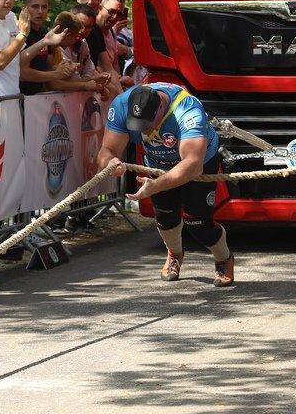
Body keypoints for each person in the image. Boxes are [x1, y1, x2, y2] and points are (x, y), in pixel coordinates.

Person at [97, 83, 233, 286]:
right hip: (157, 163)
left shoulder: (187, 110)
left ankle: (224, 258)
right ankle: (175, 254)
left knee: (198, 224)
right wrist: (110, 162)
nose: (144, 130)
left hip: (198, 162)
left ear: (161, 107)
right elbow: (106, 149)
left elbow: (192, 164)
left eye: (147, 124)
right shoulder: (122, 105)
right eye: (138, 125)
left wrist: (156, 185)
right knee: (165, 218)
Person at [18, 0, 75, 95]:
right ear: (24, 8)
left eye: (44, 7)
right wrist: (56, 74)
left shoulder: (45, 32)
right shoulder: (19, 32)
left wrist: (63, 67)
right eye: (35, 6)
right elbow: (23, 74)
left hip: (40, 97)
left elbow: (47, 66)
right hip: (19, 98)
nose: (40, 11)